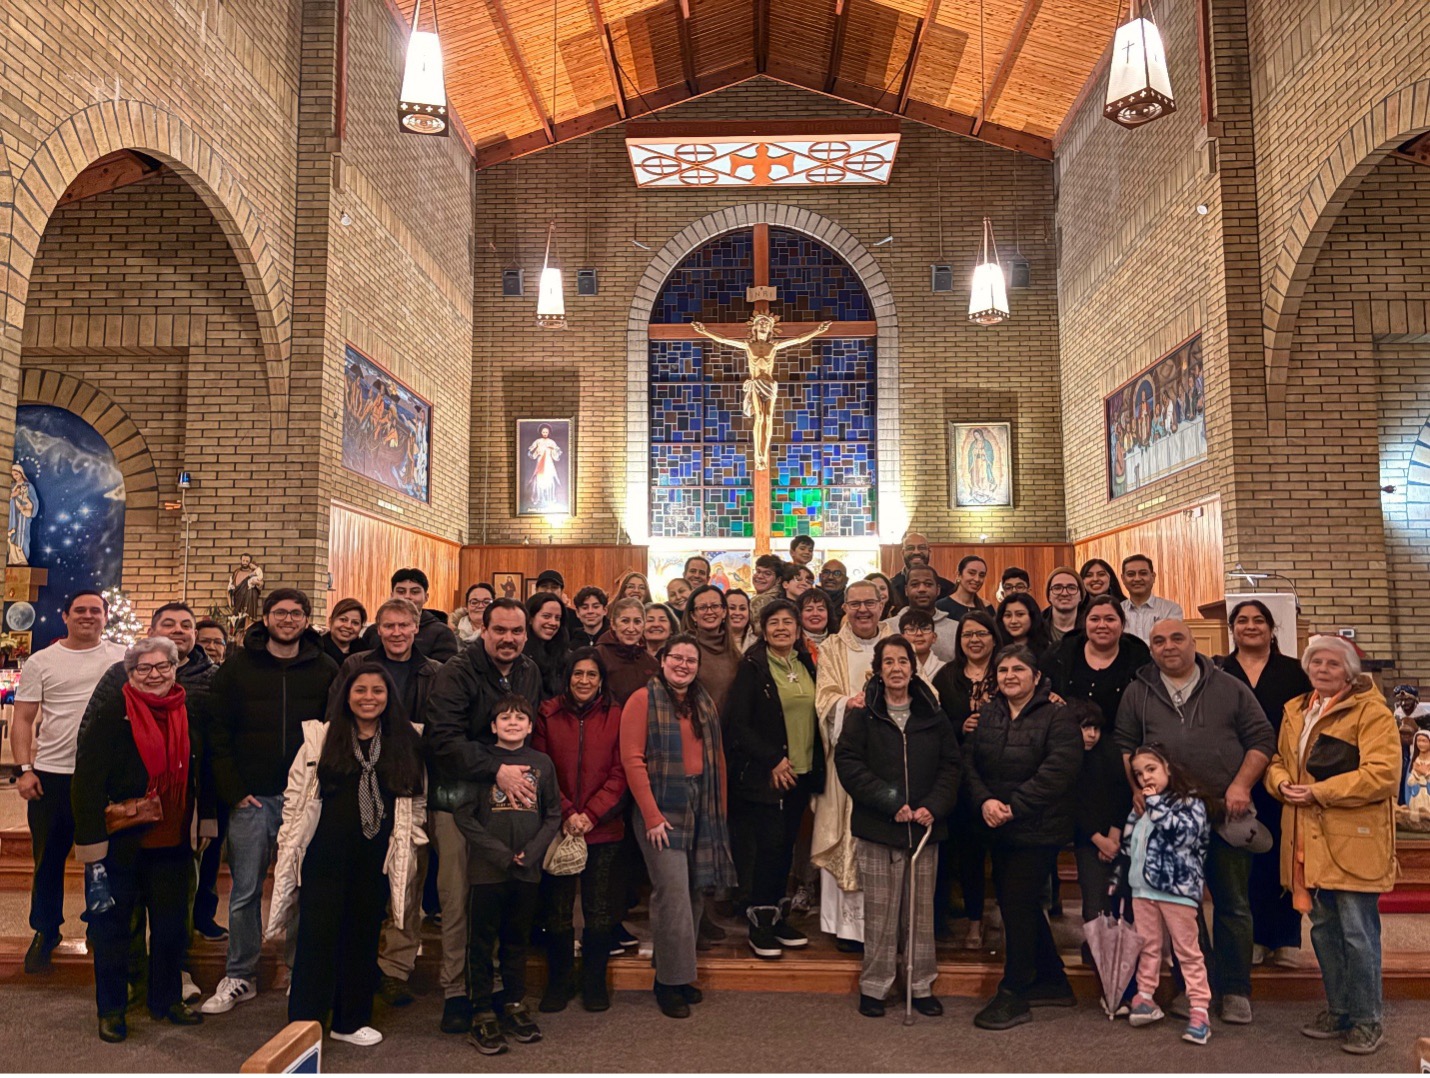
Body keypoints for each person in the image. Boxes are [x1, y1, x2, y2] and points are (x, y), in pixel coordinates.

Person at [1114, 618, 1275, 1025]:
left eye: (1177, 638)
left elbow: (1262, 740)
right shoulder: (1139, 691)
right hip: (1168, 820)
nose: (1168, 646)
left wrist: (1241, 785)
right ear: (1150, 649)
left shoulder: (1229, 686)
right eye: (1159, 641)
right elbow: (1125, 744)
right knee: (1180, 908)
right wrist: (1137, 784)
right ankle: (1195, 987)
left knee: (1233, 904)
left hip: (1225, 811)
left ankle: (1236, 988)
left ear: (1193, 643)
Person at [269, 663, 426, 1048]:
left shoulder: (405, 740)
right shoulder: (321, 737)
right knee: (316, 938)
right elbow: (295, 795)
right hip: (325, 853)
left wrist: (409, 844)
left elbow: (416, 799)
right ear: (347, 695)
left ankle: (350, 1019)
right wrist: (290, 841)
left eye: (377, 691)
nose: (369, 698)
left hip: (376, 856)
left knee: (362, 936)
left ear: (389, 697)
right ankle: (304, 1025)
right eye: (361, 690)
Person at [202, 588, 339, 1015]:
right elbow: (217, 732)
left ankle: (300, 968)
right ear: (266, 617)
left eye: (297, 613)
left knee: (301, 886)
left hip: (306, 797)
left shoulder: (325, 667)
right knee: (245, 890)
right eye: (280, 612)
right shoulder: (238, 666)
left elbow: (336, 730)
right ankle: (240, 974)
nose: (288, 619)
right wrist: (233, 790)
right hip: (253, 798)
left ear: (307, 619)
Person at [72, 636, 215, 1042]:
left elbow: (203, 772)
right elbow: (86, 781)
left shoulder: (190, 711)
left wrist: (206, 820)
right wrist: (91, 842)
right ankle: (112, 1009)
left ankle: (166, 1000)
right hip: (121, 843)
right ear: (130, 673)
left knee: (171, 929)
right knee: (113, 930)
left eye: (162, 667)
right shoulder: (112, 712)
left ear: (175, 668)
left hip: (173, 843)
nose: (154, 675)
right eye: (143, 669)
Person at [1266, 635, 1399, 1056]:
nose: (1322, 669)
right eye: (1316, 662)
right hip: (1307, 837)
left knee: (1358, 934)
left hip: (1352, 838)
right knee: (1323, 932)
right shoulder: (1295, 710)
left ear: (1350, 672)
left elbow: (1382, 774)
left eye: (1332, 664)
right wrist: (1280, 783)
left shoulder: (1370, 712)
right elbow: (1277, 762)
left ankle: (1367, 1020)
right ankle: (1340, 1009)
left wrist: (1319, 792)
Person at [424, 597, 544, 1034]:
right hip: (458, 798)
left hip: (508, 801)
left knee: (498, 897)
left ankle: (492, 987)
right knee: (458, 898)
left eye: (517, 632)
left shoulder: (529, 671)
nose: (509, 639)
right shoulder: (456, 672)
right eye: (500, 631)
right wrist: (496, 768)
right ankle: (456, 990)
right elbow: (442, 740)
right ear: (483, 629)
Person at [835, 635, 960, 1018]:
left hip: (923, 830)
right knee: (881, 913)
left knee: (920, 914)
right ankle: (875, 986)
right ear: (878, 669)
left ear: (913, 666)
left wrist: (932, 807)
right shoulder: (863, 713)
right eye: (888, 662)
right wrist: (892, 803)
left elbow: (951, 766)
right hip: (880, 827)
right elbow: (849, 764)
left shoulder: (932, 713)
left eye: (902, 661)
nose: (896, 669)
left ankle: (919, 984)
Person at [330, 599, 442, 1008]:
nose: (396, 632)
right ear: (377, 629)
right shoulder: (356, 664)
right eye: (388, 626)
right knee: (360, 876)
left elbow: (439, 727)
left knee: (406, 879)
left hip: (409, 780)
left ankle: (396, 967)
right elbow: (335, 718)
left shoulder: (434, 672)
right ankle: (356, 961)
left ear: (416, 628)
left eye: (404, 625)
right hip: (358, 779)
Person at [963, 645, 1082, 1030]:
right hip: (995, 824)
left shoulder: (1057, 716)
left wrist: (1013, 806)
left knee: (1017, 906)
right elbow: (969, 762)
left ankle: (1014, 991)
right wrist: (985, 801)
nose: (1009, 675)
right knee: (1022, 904)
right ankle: (1053, 981)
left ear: (1035, 675)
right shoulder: (989, 714)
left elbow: (1058, 771)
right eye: (1002, 670)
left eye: (1018, 669)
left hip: (1037, 827)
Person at [620, 635, 736, 1018]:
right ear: (662, 659)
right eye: (677, 658)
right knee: (672, 894)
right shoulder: (643, 700)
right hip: (661, 804)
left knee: (694, 892)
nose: (684, 665)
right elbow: (633, 760)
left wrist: (717, 813)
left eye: (691, 660)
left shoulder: (703, 702)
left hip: (701, 802)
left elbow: (715, 756)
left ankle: (680, 974)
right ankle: (668, 983)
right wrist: (652, 816)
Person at [12, 591, 126, 974]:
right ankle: (45, 931)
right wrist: (25, 768)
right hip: (52, 775)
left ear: (106, 617)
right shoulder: (42, 661)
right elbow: (24, 719)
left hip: (104, 776)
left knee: (103, 860)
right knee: (48, 860)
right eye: (80, 610)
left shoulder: (122, 658)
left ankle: (100, 927)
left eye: (96, 610)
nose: (88, 616)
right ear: (65, 616)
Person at [456, 695, 561, 1054]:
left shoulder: (542, 763)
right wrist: (500, 854)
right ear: (493, 725)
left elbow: (553, 815)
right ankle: (482, 1011)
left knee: (517, 940)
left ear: (531, 726)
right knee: (482, 943)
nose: (513, 722)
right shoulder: (484, 762)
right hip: (488, 870)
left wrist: (531, 853)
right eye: (505, 717)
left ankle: (514, 1002)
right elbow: (464, 815)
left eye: (520, 718)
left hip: (527, 870)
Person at [724, 600, 822, 959]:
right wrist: (773, 759)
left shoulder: (805, 662)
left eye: (788, 622)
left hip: (802, 773)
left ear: (798, 629)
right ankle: (759, 923)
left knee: (785, 849)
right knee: (766, 850)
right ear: (763, 630)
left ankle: (777, 917)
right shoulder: (754, 666)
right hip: (769, 777)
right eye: (774, 623)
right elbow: (738, 725)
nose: (782, 628)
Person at [532, 649, 628, 1013]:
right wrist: (568, 812)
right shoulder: (547, 713)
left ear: (601, 679)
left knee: (599, 910)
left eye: (591, 675)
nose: (584, 681)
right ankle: (559, 981)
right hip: (559, 826)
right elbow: (541, 766)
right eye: (578, 674)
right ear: (567, 676)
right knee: (556, 910)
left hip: (603, 826)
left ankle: (594, 982)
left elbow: (622, 771)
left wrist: (591, 814)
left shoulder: (617, 715)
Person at [1219, 599, 1312, 967]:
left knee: (1282, 855)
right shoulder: (1219, 671)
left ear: (1272, 629)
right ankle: (1255, 937)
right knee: (1242, 860)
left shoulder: (1294, 672)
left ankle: (1286, 937)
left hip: (1283, 777)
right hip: (1233, 776)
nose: (1251, 626)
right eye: (1242, 621)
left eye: (1259, 620)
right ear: (1233, 629)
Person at [811, 580, 892, 950]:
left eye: (869, 603)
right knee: (846, 836)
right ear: (844, 608)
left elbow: (921, 689)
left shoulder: (896, 644)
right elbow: (824, 699)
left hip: (889, 761)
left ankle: (885, 922)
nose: (863, 610)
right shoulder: (831, 648)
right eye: (854, 604)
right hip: (847, 758)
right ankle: (845, 928)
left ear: (882, 604)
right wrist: (850, 703)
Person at [1121, 744, 1215, 1046]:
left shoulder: (1190, 802)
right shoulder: (1142, 806)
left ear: (1168, 769)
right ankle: (1145, 997)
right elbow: (1130, 843)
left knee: (1187, 950)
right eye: (1139, 773)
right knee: (1148, 946)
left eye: (1151, 769)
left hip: (1177, 891)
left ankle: (1199, 1010)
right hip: (1142, 888)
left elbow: (1185, 835)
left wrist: (1157, 805)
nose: (1145, 777)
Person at [932, 611, 1000, 946]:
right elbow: (937, 724)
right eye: (967, 635)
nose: (974, 640)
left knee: (979, 855)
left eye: (981, 633)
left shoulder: (1006, 671)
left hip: (997, 776)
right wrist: (961, 725)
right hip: (956, 777)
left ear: (993, 637)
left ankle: (977, 922)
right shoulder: (946, 676)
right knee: (948, 852)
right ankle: (939, 919)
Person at [1039, 595, 1150, 725]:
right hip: (1067, 734)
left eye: (1110, 619)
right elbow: (1038, 686)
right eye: (1094, 619)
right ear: (1085, 624)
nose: (1102, 625)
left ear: (1122, 625)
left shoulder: (1138, 657)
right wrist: (1049, 695)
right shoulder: (1060, 652)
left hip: (1121, 737)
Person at [1067, 700, 1130, 924]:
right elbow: (1072, 805)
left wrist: (1113, 836)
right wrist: (1098, 840)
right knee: (1094, 903)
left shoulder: (1110, 753)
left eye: (1096, 728)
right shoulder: (1066, 758)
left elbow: (1122, 793)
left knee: (1120, 900)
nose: (1092, 734)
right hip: (1086, 838)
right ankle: (1095, 953)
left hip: (1116, 835)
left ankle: (1120, 955)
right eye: (1085, 728)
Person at [359, 568, 459, 662]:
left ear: (426, 597)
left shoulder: (442, 633)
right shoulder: (373, 631)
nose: (407, 596)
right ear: (392, 595)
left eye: (414, 592)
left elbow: (445, 673)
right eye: (401, 591)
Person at [680, 584, 742, 716]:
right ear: (693, 616)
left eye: (715, 606)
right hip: (695, 728)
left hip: (729, 730)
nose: (709, 612)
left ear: (724, 612)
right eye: (702, 607)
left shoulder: (735, 654)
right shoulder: (683, 649)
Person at [885, 564, 957, 661]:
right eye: (915, 585)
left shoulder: (956, 629)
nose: (922, 589)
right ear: (906, 590)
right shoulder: (887, 627)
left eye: (928, 584)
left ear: (938, 590)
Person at [596, 597, 658, 705]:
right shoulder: (598, 655)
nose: (631, 628)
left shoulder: (651, 663)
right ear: (613, 624)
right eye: (625, 621)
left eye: (637, 622)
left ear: (644, 625)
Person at [1120, 554, 1184, 643]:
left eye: (1143, 573)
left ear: (1153, 577)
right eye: (1131, 574)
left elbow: (1168, 641)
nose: (1137, 578)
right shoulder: (1117, 610)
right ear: (1123, 579)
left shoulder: (1170, 609)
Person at [524, 592, 571, 699]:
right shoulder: (518, 654)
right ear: (530, 619)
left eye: (557, 618)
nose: (553, 623)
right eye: (546, 616)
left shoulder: (566, 656)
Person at [889, 532, 955, 602]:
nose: (916, 552)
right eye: (910, 548)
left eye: (921, 547)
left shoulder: (948, 588)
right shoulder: (890, 587)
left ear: (929, 552)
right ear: (902, 553)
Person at [936, 556, 993, 621]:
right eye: (971, 573)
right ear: (959, 575)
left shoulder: (987, 607)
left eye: (981, 575)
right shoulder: (941, 606)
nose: (977, 579)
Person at [898, 608, 946, 686]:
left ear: (934, 637)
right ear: (901, 638)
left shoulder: (945, 670)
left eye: (925, 629)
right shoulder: (895, 670)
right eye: (911, 629)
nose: (919, 633)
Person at [996, 593, 1051, 657]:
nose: (1013, 621)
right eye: (1008, 615)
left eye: (1020, 614)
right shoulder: (994, 648)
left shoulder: (1048, 650)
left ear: (1032, 616)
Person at [319, 598, 367, 667]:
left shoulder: (367, 657)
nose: (348, 626)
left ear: (361, 628)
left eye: (355, 623)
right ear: (330, 621)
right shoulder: (316, 651)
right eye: (343, 620)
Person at [1042, 567, 1083, 646]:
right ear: (1049, 596)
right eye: (1057, 588)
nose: (1064, 593)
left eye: (1071, 588)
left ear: (1080, 596)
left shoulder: (1090, 628)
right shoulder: (1036, 628)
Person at [797, 588, 835, 660]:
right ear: (799, 614)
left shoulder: (838, 641)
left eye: (820, 609)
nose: (815, 614)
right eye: (809, 610)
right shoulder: (793, 645)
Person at [749, 554, 786, 621]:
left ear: (778, 580)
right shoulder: (780, 597)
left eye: (767, 574)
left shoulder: (761, 601)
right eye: (758, 571)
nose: (760, 576)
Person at [818, 560, 847, 627]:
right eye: (826, 572)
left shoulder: (850, 601)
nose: (830, 577)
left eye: (837, 573)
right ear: (820, 577)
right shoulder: (809, 598)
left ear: (846, 580)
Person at [726, 588, 756, 653]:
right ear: (723, 611)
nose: (737, 613)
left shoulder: (757, 644)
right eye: (732, 608)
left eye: (742, 609)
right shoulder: (711, 642)